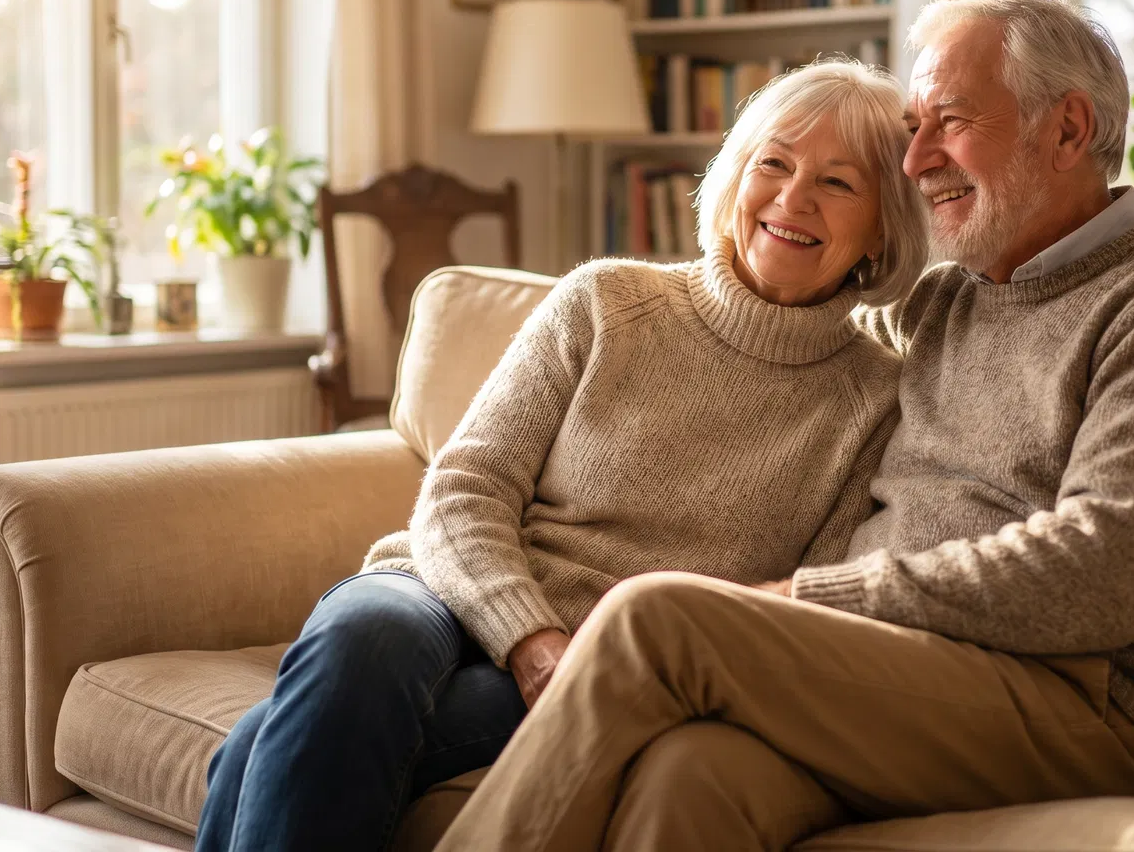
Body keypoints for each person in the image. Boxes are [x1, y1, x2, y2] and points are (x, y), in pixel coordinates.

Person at [435, 0, 1134, 852]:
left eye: (947, 122)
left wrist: (809, 597)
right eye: (913, 126)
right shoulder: (952, 299)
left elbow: (1107, 573)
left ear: (1069, 130)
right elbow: (783, 315)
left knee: (657, 619)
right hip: (897, 668)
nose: (915, 160)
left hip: (1085, 699)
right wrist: (644, 305)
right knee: (691, 775)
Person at [194, 58, 929, 852]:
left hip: (606, 666)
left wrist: (577, 661)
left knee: (256, 748)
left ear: (882, 227)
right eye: (773, 163)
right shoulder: (608, 301)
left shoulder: (876, 403)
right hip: (441, 589)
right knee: (362, 639)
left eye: (838, 184)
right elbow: (464, 491)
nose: (792, 200)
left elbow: (793, 615)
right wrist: (529, 638)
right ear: (735, 176)